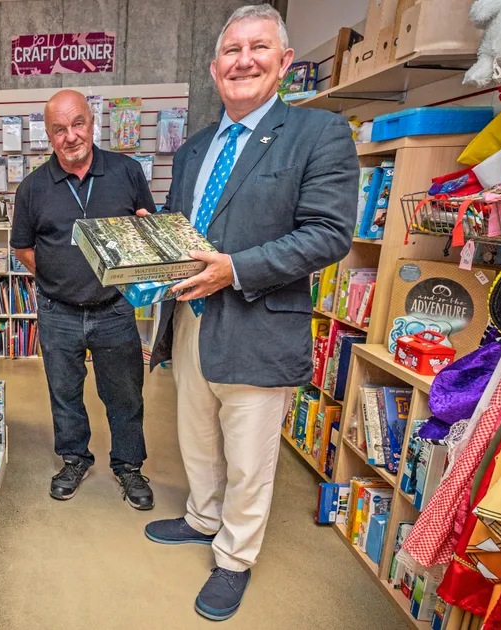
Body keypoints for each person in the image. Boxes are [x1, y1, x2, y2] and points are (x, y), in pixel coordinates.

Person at [143, 4, 358, 621]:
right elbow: (188, 230)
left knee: (250, 456)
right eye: (232, 52)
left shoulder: (319, 135)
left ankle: (234, 558)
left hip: (258, 322)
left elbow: (328, 235)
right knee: (198, 438)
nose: (244, 61)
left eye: (258, 48)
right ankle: (201, 518)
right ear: (215, 70)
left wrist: (234, 269)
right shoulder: (194, 149)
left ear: (285, 62)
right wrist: (151, 239)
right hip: (190, 320)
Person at [11, 88, 156, 510]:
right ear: (49, 136)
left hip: (114, 309)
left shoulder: (127, 172)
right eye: (59, 129)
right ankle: (74, 459)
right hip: (59, 312)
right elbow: (23, 248)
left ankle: (128, 465)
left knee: (125, 393)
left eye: (78, 124)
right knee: (64, 392)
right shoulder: (33, 187)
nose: (71, 136)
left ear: (92, 123)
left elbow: (145, 229)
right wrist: (58, 274)